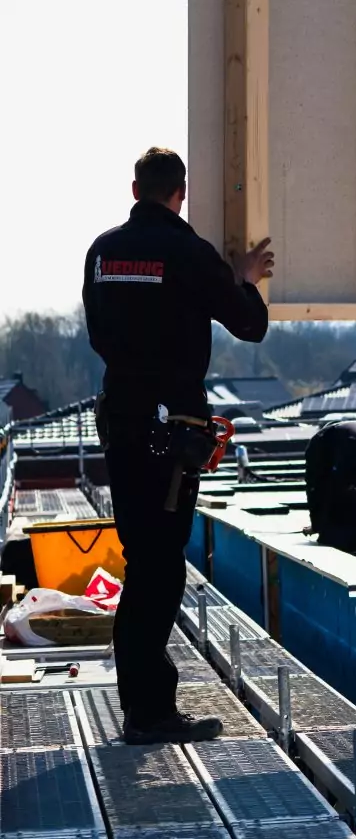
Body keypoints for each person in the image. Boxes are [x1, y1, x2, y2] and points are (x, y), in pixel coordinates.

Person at [82, 148, 273, 744]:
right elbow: (249, 324)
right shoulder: (190, 253)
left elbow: (99, 334)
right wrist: (240, 280)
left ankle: (140, 705)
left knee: (143, 560)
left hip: (123, 425)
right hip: (171, 436)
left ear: (136, 188)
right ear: (179, 193)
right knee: (160, 570)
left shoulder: (103, 252)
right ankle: (150, 712)